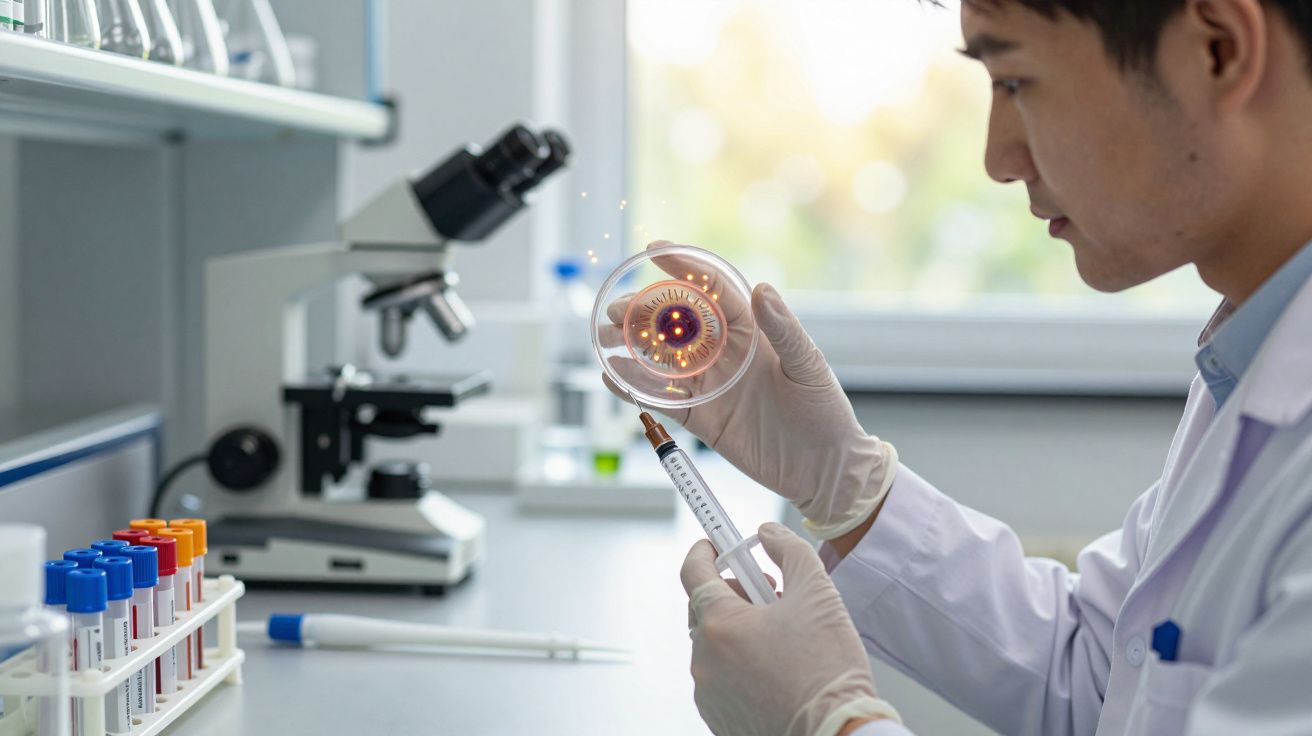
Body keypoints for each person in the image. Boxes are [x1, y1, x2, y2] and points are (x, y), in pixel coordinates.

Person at [605, 0, 1312, 733]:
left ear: (1217, 51)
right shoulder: (1251, 354)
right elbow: (1103, 674)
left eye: (1015, 81)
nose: (997, 159)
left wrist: (832, 723)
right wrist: (847, 487)